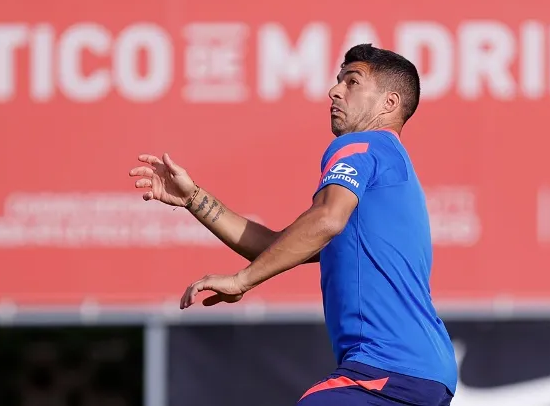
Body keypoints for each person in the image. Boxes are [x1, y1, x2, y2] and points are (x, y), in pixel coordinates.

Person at [129, 44, 457, 405]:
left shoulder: (362, 144)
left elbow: (326, 219)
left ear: (389, 104)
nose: (334, 91)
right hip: (420, 373)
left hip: (387, 368)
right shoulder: (388, 169)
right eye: (338, 81)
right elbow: (278, 244)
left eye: (352, 82)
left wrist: (243, 280)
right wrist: (194, 199)